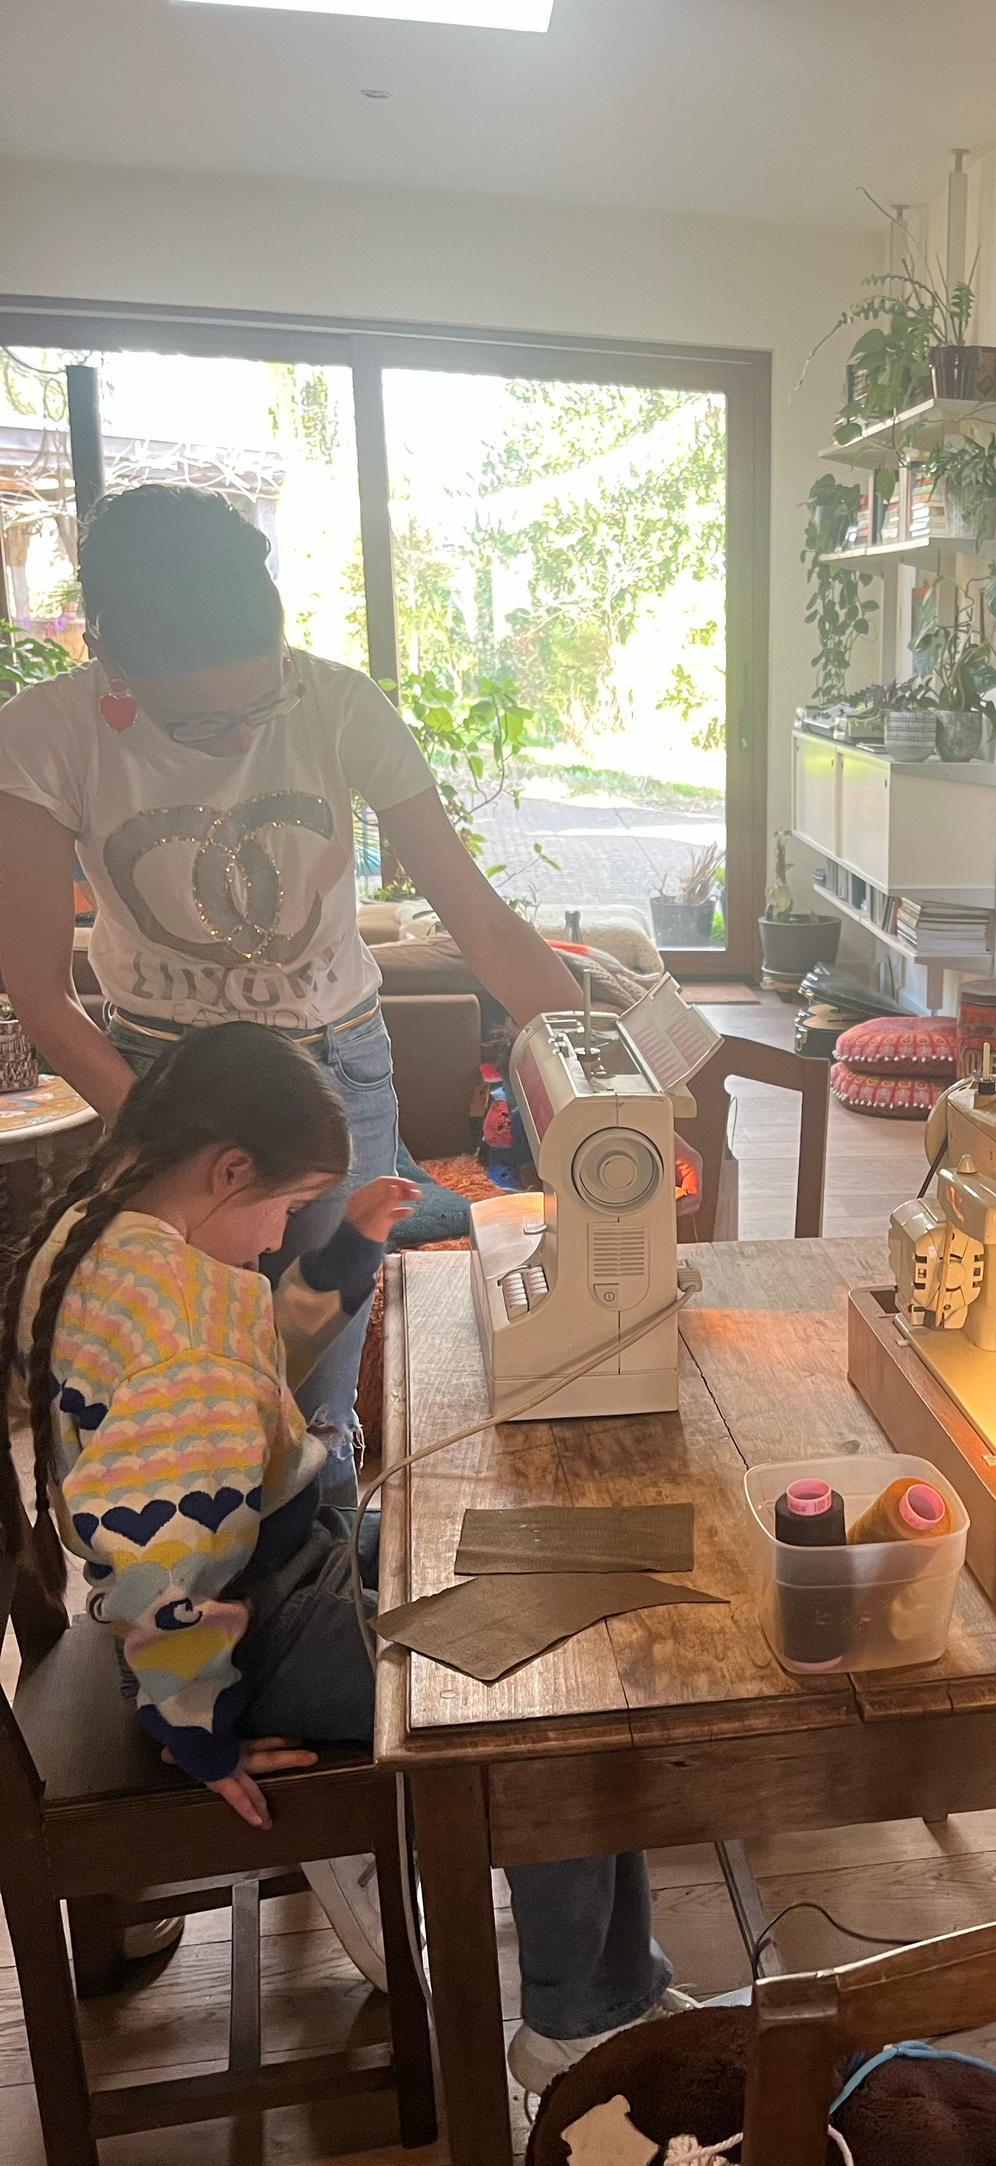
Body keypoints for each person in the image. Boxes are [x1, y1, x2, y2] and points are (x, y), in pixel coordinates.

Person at [2, 1025, 684, 2079]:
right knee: (552, 1687)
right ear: (228, 1170)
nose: (279, 1236)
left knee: (559, 1567)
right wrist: (200, 1731)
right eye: (283, 1209)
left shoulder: (106, 1240)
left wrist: (344, 1252)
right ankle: (579, 2021)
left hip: (274, 1564)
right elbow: (161, 1568)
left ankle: (616, 1978)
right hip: (256, 1631)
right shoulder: (178, 1343)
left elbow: (242, 1367)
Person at [0, 482, 581, 1505]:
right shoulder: (46, 736)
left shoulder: (339, 703)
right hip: (158, 1076)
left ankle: (319, 1607)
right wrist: (172, 1146)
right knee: (168, 1380)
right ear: (113, 664)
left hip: (330, 1067)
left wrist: (598, 1062)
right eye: (199, 721)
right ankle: (174, 1608)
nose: (238, 739)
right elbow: (40, 993)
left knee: (311, 1393)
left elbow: (485, 926)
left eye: (259, 704)